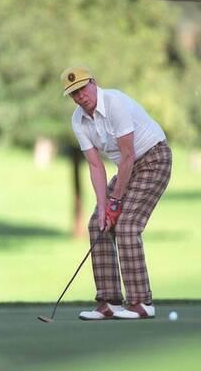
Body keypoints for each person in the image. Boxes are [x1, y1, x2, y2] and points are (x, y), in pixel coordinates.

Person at [60, 65, 172, 320]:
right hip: (127, 166)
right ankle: (109, 302)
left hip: (154, 159)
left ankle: (141, 303)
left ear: (93, 82)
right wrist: (103, 207)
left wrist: (115, 201)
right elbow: (95, 164)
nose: (80, 96)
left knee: (127, 225)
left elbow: (129, 155)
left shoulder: (115, 103)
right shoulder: (78, 120)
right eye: (73, 93)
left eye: (82, 88)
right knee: (97, 224)